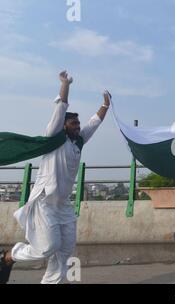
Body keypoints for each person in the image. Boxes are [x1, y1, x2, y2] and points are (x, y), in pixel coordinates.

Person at [0, 71, 111, 284]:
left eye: (78, 124)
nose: (78, 127)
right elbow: (60, 108)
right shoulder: (55, 137)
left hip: (63, 205)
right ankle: (10, 256)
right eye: (74, 124)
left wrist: (105, 105)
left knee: (65, 250)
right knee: (47, 247)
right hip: (44, 202)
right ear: (64, 126)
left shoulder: (78, 142)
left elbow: (95, 122)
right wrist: (65, 84)